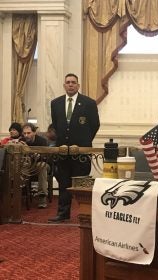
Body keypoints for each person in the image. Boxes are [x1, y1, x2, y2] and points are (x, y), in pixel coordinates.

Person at [48, 73, 100, 223]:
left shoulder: (88, 103)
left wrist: (83, 141)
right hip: (63, 151)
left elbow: (95, 125)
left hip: (81, 151)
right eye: (68, 82)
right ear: (64, 85)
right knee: (64, 182)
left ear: (78, 85)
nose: (70, 84)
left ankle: (85, 213)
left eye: (73, 82)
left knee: (82, 183)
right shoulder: (55, 103)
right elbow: (56, 125)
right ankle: (63, 213)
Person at [22, 123, 49, 208]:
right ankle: (19, 195)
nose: (26, 135)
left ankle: (42, 198)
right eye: (24, 133)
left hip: (41, 164)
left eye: (28, 133)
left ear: (34, 132)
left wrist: (39, 156)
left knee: (41, 165)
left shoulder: (42, 141)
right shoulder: (22, 141)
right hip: (27, 165)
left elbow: (47, 157)